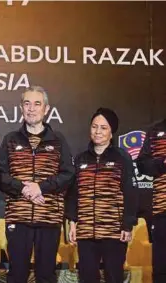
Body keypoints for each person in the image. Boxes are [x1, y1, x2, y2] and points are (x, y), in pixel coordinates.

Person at [0, 86, 75, 283]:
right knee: (16, 274)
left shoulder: (58, 140)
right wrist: (23, 188)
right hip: (18, 219)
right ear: (21, 108)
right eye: (26, 103)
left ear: (46, 109)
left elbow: (68, 174)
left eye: (37, 104)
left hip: (49, 218)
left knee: (46, 275)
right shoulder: (10, 140)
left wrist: (41, 187)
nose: (31, 108)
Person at [66, 108, 137, 283]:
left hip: (114, 232)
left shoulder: (122, 158)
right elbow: (73, 194)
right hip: (86, 232)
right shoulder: (80, 159)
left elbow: (131, 193)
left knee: (114, 277)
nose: (98, 132)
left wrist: (127, 225)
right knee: (87, 278)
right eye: (94, 127)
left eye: (103, 128)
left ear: (111, 132)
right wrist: (72, 223)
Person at [136, 118, 166, 283]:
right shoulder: (155, 131)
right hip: (162, 210)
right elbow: (142, 164)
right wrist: (162, 162)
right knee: (161, 270)